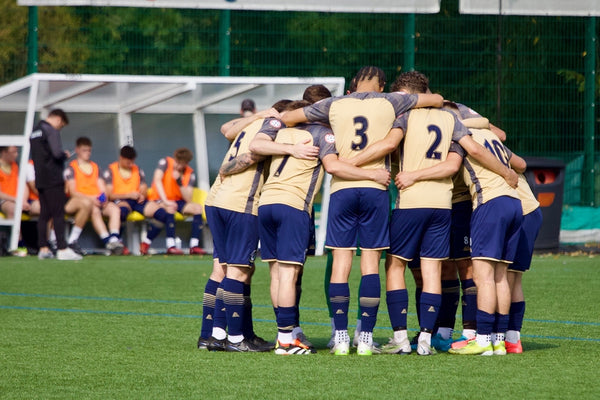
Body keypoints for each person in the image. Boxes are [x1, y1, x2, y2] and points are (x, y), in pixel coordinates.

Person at [282, 66, 445, 356]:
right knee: (370, 265)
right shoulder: (392, 101)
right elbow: (435, 99)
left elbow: (289, 117)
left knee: (341, 264)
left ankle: (341, 336)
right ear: (381, 86)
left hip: (343, 189)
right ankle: (366, 338)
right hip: (375, 188)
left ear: (353, 84)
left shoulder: (334, 104)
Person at [249, 100, 390, 355]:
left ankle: (289, 334)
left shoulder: (279, 129)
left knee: (277, 274)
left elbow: (255, 145)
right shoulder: (322, 133)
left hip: (266, 203)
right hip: (292, 204)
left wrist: (288, 148)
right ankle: (286, 341)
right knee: (290, 275)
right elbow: (333, 166)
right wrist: (373, 175)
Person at [199, 100, 305, 352]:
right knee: (239, 271)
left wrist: (224, 167)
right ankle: (236, 339)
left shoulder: (254, 122)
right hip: (240, 203)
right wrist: (291, 148)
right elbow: (252, 154)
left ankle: (211, 335)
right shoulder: (274, 126)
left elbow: (226, 129)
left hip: (217, 199)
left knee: (221, 269)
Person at [29, 109, 82, 261]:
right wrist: (64, 155)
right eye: (62, 125)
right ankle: (62, 248)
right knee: (58, 212)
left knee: (44, 214)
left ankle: (43, 248)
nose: (60, 128)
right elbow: (56, 153)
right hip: (53, 177)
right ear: (59, 119)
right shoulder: (50, 130)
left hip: (40, 178)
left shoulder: (35, 131)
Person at [64, 137, 124, 255]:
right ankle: (107, 241)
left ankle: (113, 239)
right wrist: (92, 199)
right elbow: (73, 191)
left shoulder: (95, 167)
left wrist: (103, 198)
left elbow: (102, 187)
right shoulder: (71, 168)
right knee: (94, 210)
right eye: (84, 150)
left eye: (89, 150)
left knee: (114, 209)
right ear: (77, 150)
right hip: (82, 202)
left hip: (97, 201)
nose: (87, 153)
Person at [142, 148, 206, 255]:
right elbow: (157, 180)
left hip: (177, 201)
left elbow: (188, 199)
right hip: (159, 199)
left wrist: (179, 182)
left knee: (197, 208)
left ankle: (194, 246)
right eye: (178, 162)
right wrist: (166, 201)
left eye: (183, 164)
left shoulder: (190, 173)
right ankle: (170, 246)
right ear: (175, 158)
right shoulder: (165, 163)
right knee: (170, 208)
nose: (179, 166)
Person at [102, 145, 160, 255]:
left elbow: (143, 186)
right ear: (121, 158)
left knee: (162, 213)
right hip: (121, 200)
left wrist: (142, 195)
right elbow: (109, 195)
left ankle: (146, 242)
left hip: (137, 201)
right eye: (128, 162)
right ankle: (118, 244)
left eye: (132, 162)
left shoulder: (137, 170)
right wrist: (128, 195)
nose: (131, 165)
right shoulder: (111, 170)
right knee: (122, 212)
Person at [0, 146, 31, 219]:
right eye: (14, 152)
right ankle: (12, 230)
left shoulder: (16, 165)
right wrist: (16, 199)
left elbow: (24, 185)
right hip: (4, 200)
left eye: (17, 152)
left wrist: (23, 200)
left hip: (18, 199)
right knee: (13, 209)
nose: (16, 154)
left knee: (44, 208)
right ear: (4, 152)